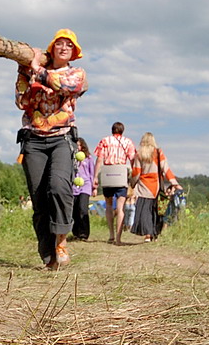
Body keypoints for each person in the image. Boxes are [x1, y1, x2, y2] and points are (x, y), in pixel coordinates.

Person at [16, 29, 88, 270]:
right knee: (39, 200)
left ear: (74, 52)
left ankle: (61, 240)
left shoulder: (76, 73)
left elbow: (65, 85)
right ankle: (48, 257)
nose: (64, 47)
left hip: (62, 139)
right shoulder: (29, 71)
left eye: (69, 44)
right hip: (33, 140)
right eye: (60, 43)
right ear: (53, 48)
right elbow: (21, 102)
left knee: (59, 187)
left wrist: (37, 70)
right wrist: (25, 69)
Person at [130, 133, 181, 242]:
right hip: (158, 186)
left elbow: (136, 172)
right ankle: (155, 234)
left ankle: (147, 235)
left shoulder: (139, 154)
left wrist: (132, 183)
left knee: (145, 212)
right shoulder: (158, 152)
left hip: (144, 186)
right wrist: (174, 182)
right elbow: (165, 168)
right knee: (158, 212)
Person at [92, 122, 137, 245]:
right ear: (123, 130)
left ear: (112, 130)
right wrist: (134, 175)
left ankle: (111, 235)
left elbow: (99, 159)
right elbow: (133, 159)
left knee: (108, 205)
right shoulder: (128, 142)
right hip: (121, 173)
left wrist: (95, 176)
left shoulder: (104, 141)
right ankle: (118, 237)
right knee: (121, 207)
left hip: (107, 173)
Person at [71, 137, 94, 241]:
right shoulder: (71, 158)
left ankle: (84, 233)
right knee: (74, 210)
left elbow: (92, 173)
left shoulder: (88, 158)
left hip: (86, 185)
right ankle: (76, 232)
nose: (78, 147)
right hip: (73, 187)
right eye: (76, 145)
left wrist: (94, 187)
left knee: (83, 209)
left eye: (79, 145)